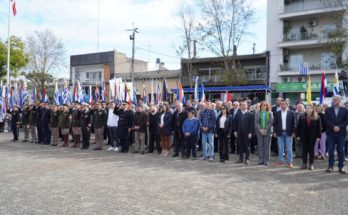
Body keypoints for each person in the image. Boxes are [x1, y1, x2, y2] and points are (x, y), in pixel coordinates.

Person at [325, 95, 348, 174]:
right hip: (331, 133)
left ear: (339, 100)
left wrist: (339, 127)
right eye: (333, 99)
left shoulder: (344, 110)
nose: (334, 100)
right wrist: (333, 127)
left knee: (341, 150)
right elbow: (326, 120)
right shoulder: (328, 110)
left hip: (341, 133)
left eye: (336, 99)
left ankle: (341, 167)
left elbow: (346, 121)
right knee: (331, 150)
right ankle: (330, 166)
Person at [296, 105, 321, 170]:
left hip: (312, 136)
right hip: (303, 136)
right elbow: (298, 127)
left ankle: (311, 164)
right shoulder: (302, 116)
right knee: (304, 150)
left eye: (309, 108)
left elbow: (319, 128)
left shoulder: (317, 117)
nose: (307, 109)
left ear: (312, 109)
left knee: (311, 150)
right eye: (306, 108)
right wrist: (298, 135)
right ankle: (304, 164)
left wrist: (318, 136)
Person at [273, 100, 296, 168]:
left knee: (289, 148)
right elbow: (275, 124)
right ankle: (280, 161)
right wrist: (274, 132)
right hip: (280, 132)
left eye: (284, 104)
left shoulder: (291, 112)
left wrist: (294, 132)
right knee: (280, 148)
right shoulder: (277, 113)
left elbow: (293, 123)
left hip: (288, 132)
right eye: (281, 104)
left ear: (287, 105)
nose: (282, 105)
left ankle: (290, 162)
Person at [254, 101, 274, 166]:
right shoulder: (257, 113)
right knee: (260, 146)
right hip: (259, 132)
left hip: (267, 132)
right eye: (262, 105)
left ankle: (266, 161)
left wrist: (265, 129)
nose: (263, 107)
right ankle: (261, 160)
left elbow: (271, 122)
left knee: (267, 146)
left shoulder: (270, 113)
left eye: (265, 105)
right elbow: (256, 122)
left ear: (267, 106)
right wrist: (260, 129)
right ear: (260, 106)